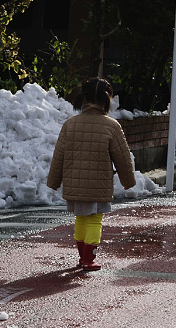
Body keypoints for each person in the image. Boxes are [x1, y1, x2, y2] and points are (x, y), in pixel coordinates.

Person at [45, 77, 136, 271]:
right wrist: (127, 180)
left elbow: (59, 155)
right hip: (98, 183)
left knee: (81, 217)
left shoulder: (70, 124)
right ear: (106, 100)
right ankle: (89, 258)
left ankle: (82, 257)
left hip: (75, 183)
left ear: (83, 99)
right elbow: (122, 157)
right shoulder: (111, 125)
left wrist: (54, 181)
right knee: (95, 218)